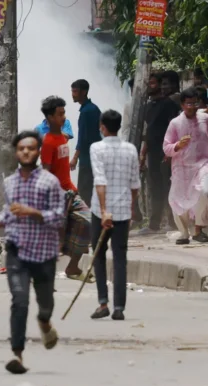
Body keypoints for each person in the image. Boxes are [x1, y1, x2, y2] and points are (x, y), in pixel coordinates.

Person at [0, 130, 63, 375]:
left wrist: (34, 212)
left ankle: (45, 322)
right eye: (21, 148)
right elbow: (8, 212)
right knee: (19, 301)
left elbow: (58, 217)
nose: (26, 152)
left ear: (38, 152)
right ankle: (17, 354)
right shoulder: (10, 182)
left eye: (31, 148)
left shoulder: (50, 182)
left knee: (45, 304)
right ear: (16, 152)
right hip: (17, 251)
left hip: (44, 253)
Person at [89, 110, 140, 321]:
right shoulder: (130, 149)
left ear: (102, 126)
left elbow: (100, 181)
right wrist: (131, 209)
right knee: (120, 259)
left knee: (99, 257)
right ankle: (119, 307)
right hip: (122, 212)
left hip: (100, 212)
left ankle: (103, 303)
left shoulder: (96, 148)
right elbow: (135, 184)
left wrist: (103, 211)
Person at [39, 96, 91, 281]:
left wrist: (71, 189)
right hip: (57, 195)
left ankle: (72, 266)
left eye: (64, 113)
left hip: (70, 191)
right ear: (50, 117)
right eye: (60, 114)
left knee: (87, 221)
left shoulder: (63, 137)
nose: (63, 117)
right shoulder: (48, 142)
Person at [163, 88, 208, 245]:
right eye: (189, 103)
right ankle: (183, 233)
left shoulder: (205, 119)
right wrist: (178, 145)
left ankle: (198, 230)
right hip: (181, 168)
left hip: (203, 164)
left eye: (195, 103)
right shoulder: (175, 123)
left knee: (204, 192)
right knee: (176, 199)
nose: (192, 106)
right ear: (182, 104)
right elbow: (166, 148)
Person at [136, 72, 181, 235]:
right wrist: (143, 154)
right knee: (155, 187)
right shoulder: (148, 106)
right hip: (153, 154)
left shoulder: (168, 104)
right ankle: (154, 224)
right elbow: (149, 132)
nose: (149, 86)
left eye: (153, 83)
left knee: (168, 186)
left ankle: (173, 222)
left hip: (166, 154)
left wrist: (170, 152)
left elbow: (174, 129)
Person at [70, 79, 103, 206]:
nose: (73, 94)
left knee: (84, 193)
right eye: (72, 91)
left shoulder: (86, 112)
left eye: (75, 91)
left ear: (84, 92)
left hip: (87, 158)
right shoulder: (93, 109)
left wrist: (74, 158)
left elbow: (83, 137)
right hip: (95, 156)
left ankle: (86, 223)